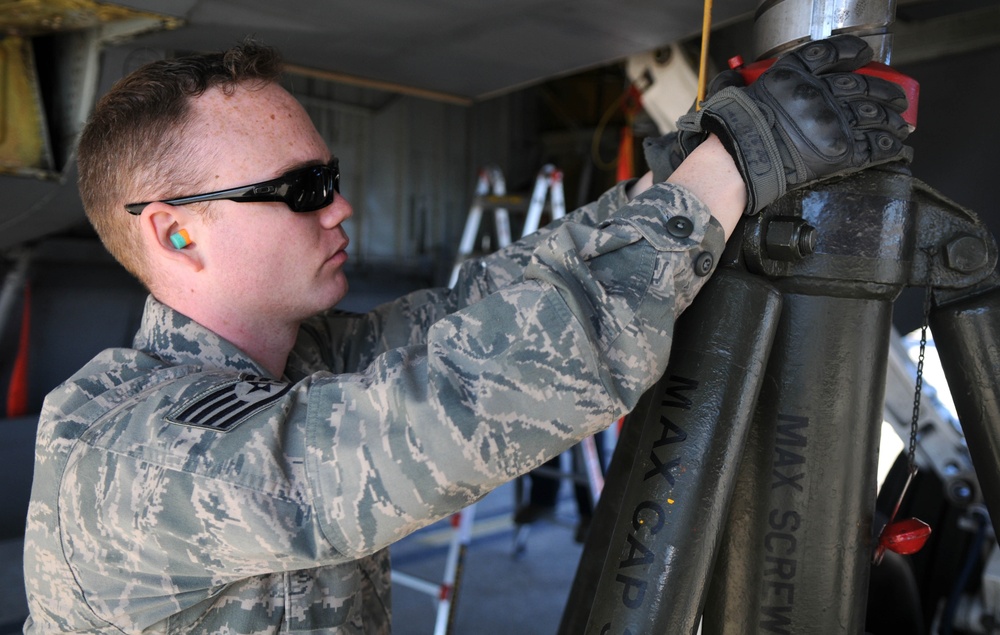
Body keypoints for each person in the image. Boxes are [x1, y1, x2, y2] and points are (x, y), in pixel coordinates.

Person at [22, 34, 910, 633]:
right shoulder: (124, 453)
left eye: (329, 176)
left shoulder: (306, 363)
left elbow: (486, 310)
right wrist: (742, 164)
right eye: (300, 191)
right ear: (176, 231)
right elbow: (446, 412)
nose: (341, 208)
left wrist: (684, 178)